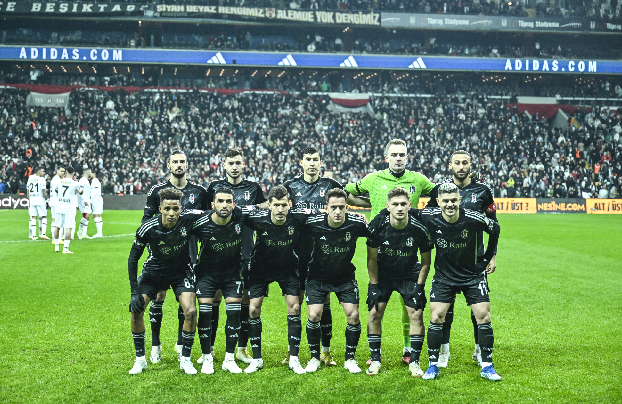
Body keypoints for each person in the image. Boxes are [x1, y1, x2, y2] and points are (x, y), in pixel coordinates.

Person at [345, 138, 435, 364]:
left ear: (407, 157)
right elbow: (346, 192)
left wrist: (424, 215)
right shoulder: (374, 179)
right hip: (380, 247)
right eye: (394, 155)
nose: (398, 158)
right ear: (387, 158)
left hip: (407, 247)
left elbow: (438, 194)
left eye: (401, 155)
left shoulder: (418, 179)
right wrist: (366, 204)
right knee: (377, 304)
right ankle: (375, 353)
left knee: (410, 305)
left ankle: (408, 349)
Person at [283, 146, 370, 367]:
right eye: (308, 159)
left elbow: (352, 200)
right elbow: (278, 207)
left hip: (324, 254)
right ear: (301, 162)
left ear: (321, 163)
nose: (312, 163)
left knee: (324, 302)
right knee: (296, 305)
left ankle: (325, 352)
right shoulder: (290, 186)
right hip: (297, 254)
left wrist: (375, 202)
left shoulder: (331, 185)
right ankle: (292, 351)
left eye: (316, 159)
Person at [415, 183, 502, 381]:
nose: (450, 204)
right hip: (444, 276)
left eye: (453, 200)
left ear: (460, 200)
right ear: (438, 202)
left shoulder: (474, 217)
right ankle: (433, 365)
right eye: (445, 201)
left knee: (483, 316)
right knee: (436, 316)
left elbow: (495, 229)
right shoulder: (429, 215)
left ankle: (487, 365)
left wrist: (487, 258)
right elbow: (406, 212)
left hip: (472, 275)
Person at [426, 150, 498, 367]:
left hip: (474, 261)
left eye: (464, 163)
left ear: (470, 165)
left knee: (478, 309)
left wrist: (491, 256)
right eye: (457, 163)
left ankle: (479, 350)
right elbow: (429, 218)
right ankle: (444, 351)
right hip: (447, 261)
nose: (461, 166)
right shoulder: (440, 189)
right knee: (445, 310)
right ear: (450, 166)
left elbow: (493, 222)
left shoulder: (483, 190)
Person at [142, 150, 209, 365]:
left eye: (182, 161)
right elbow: (146, 221)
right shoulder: (157, 191)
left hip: (189, 255)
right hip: (161, 255)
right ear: (168, 165)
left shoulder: (200, 192)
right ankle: (155, 346)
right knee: (158, 297)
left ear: (187, 165)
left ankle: (181, 345)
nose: (179, 165)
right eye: (175, 162)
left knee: (185, 301)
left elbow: (207, 221)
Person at [204, 147, 268, 365]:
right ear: (224, 165)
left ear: (243, 164)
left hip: (246, 253)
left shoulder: (253, 188)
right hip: (217, 254)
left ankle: (241, 349)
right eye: (230, 163)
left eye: (238, 163)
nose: (234, 167)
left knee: (245, 300)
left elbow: (263, 211)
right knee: (215, 299)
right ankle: (210, 348)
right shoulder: (214, 187)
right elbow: (206, 216)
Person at [127, 188, 200, 375]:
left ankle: (186, 360)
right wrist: (134, 292)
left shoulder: (188, 220)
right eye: (167, 209)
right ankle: (140, 360)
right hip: (154, 273)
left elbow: (211, 215)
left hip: (180, 272)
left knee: (191, 311)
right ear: (160, 209)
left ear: (181, 209)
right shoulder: (148, 228)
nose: (171, 213)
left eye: (175, 209)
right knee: (136, 310)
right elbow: (133, 259)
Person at [243, 185, 313, 374]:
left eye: (284, 205)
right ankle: (257, 359)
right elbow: (234, 214)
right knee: (253, 309)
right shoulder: (257, 218)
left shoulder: (297, 217)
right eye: (276, 205)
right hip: (260, 268)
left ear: (289, 204)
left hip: (288, 268)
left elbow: (324, 213)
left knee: (295, 308)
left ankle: (294, 359)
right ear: (269, 205)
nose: (280, 209)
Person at [365, 187, 433, 377]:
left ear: (409, 205)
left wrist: (419, 287)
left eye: (403, 204)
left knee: (416, 314)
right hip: (384, 273)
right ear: (388, 206)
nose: (400, 208)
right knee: (374, 313)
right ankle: (375, 360)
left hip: (408, 273)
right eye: (395, 204)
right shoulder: (377, 225)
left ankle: (414, 362)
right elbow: (371, 259)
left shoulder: (420, 228)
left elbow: (426, 262)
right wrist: (373, 286)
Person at [302, 188, 369, 374]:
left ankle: (350, 359)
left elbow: (377, 233)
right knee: (314, 315)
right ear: (326, 208)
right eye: (333, 207)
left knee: (353, 316)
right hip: (317, 276)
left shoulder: (356, 223)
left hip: (344, 276)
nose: (337, 211)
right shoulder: (313, 223)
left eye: (341, 207)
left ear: (347, 207)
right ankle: (315, 358)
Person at [190, 187, 253, 374]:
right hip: (207, 274)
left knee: (234, 313)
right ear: (213, 205)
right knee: (205, 314)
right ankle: (207, 357)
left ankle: (229, 359)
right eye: (220, 201)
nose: (224, 205)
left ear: (234, 205)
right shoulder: (200, 222)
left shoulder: (241, 217)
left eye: (228, 201)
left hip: (232, 273)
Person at [52, 166, 82, 254]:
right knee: (68, 228)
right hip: (69, 208)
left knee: (57, 227)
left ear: (65, 173)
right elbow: (81, 192)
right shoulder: (75, 183)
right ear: (73, 173)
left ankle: (56, 247)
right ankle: (65, 248)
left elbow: (56, 191)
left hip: (60, 206)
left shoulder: (59, 181)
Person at [26, 166, 49, 240]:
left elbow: (28, 189)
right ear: (39, 172)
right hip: (40, 200)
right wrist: (46, 199)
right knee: (44, 216)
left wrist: (29, 198)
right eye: (42, 171)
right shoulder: (42, 179)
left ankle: (33, 235)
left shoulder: (30, 178)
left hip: (32, 200)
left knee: (33, 217)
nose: (44, 173)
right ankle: (43, 234)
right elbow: (43, 191)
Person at [49, 166, 66, 243]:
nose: (63, 173)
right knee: (58, 220)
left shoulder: (55, 179)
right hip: (57, 202)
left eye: (64, 171)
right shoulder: (57, 180)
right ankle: (57, 238)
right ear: (57, 171)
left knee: (55, 220)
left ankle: (55, 237)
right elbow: (58, 191)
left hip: (54, 201)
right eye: (61, 171)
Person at [77, 168, 92, 239]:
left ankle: (84, 233)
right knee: (85, 215)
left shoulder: (87, 181)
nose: (91, 174)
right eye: (90, 172)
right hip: (83, 201)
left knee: (87, 216)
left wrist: (89, 200)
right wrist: (84, 200)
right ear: (88, 173)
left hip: (87, 200)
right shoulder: (82, 180)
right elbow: (80, 191)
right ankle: (79, 231)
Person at [90, 170, 104, 238]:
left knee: (96, 215)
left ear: (93, 174)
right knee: (99, 216)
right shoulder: (96, 181)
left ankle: (99, 233)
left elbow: (95, 192)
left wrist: (91, 201)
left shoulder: (94, 181)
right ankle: (100, 233)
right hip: (98, 199)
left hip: (96, 199)